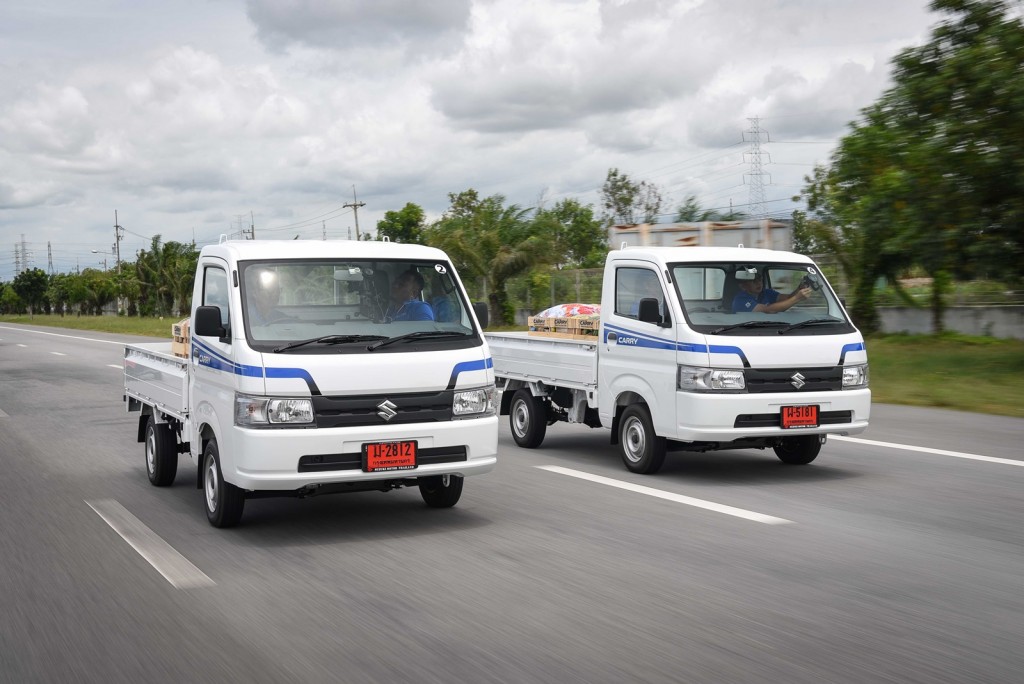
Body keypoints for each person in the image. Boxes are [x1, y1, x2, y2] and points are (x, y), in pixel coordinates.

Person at [731, 267, 811, 313]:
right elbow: (768, 310)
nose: (758, 283)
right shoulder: (740, 300)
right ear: (743, 286)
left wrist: (799, 288)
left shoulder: (766, 292)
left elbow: (787, 298)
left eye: (759, 279)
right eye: (753, 281)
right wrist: (797, 298)